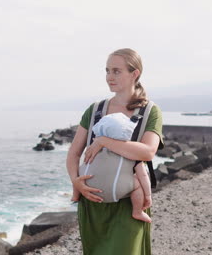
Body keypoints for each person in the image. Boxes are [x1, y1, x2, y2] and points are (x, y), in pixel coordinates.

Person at [66, 48, 163, 255]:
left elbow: (147, 152)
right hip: (93, 205)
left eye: (117, 71)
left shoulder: (149, 111)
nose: (110, 77)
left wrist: (103, 141)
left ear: (134, 74)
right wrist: (76, 182)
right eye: (107, 71)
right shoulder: (94, 110)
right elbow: (74, 153)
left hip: (129, 206)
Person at [71, 111, 153, 223]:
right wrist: (147, 196)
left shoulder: (93, 148)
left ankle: (75, 195)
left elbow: (77, 157)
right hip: (115, 191)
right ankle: (137, 212)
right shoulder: (130, 153)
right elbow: (143, 175)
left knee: (82, 170)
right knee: (138, 183)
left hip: (87, 187)